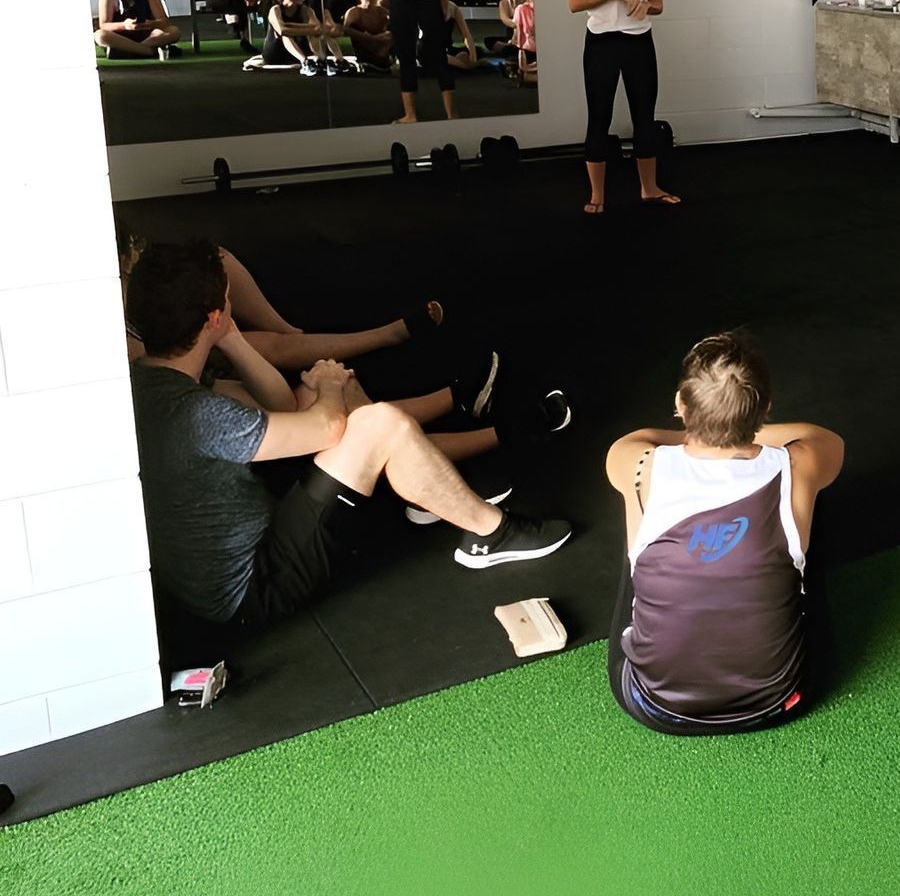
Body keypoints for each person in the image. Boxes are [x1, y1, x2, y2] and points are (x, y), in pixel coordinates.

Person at [125, 241, 573, 627]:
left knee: (327, 398)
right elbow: (326, 427)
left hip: (224, 569)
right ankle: (487, 533)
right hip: (255, 587)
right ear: (211, 317)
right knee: (377, 424)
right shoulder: (196, 413)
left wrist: (230, 338)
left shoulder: (148, 381)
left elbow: (282, 405)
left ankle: (433, 478)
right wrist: (334, 385)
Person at [603, 333, 843, 735]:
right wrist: (740, 425)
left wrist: (706, 425)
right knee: (809, 511)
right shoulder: (798, 465)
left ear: (681, 404)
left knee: (641, 541)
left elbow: (633, 439)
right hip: (780, 704)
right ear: (765, 408)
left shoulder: (639, 466)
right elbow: (827, 439)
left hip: (654, 708)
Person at [120, 234, 446, 373]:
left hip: (165, 319)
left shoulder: (140, 276)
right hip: (166, 349)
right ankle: (387, 335)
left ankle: (290, 332)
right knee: (271, 351)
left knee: (216, 259)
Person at [569, 0, 674, 211]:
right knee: (600, 118)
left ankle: (649, 188)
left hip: (638, 43)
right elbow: (574, 2)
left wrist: (644, 6)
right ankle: (597, 195)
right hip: (602, 42)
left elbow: (658, 5)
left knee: (645, 118)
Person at [254, 0, 344, 76]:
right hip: (275, 53)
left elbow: (318, 29)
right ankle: (305, 62)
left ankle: (322, 60)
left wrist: (290, 26)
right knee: (287, 36)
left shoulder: (306, 10)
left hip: (297, 50)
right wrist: (308, 29)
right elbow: (282, 31)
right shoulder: (276, 10)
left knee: (314, 35)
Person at [95, 0, 180, 60]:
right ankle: (150, 51)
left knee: (174, 31)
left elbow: (164, 21)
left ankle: (129, 51)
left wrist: (150, 24)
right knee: (100, 36)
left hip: (147, 36)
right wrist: (125, 25)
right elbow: (104, 25)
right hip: (122, 37)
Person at [343, 0, 393, 72]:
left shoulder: (382, 12)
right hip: (362, 49)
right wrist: (371, 38)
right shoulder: (354, 12)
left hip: (380, 50)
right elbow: (346, 31)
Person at [441, 0, 481, 71]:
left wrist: (473, 58)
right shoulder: (427, 7)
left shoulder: (453, 8)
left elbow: (466, 35)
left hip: (448, 49)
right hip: (432, 50)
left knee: (478, 51)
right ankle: (464, 66)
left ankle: (456, 62)